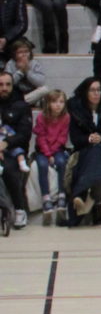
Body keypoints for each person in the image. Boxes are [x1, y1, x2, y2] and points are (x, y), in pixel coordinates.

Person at [67, 74, 101, 226]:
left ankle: (81, 194)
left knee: (97, 152)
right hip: (85, 150)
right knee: (94, 155)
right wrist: (89, 139)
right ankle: (97, 206)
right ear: (85, 92)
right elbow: (75, 139)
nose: (97, 93)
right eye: (92, 90)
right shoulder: (76, 110)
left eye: (99, 90)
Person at [33, 88, 71, 223]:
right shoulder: (41, 117)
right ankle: (46, 198)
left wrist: (54, 151)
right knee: (42, 165)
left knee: (62, 162)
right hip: (42, 150)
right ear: (48, 103)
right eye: (54, 102)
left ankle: (62, 195)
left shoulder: (66, 117)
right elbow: (41, 138)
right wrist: (48, 154)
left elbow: (62, 137)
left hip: (58, 149)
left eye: (61, 102)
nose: (58, 105)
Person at [0, 69, 32, 228]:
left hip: (14, 152)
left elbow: (24, 134)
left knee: (8, 169)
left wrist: (5, 144)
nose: (4, 88)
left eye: (8, 84)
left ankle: (20, 210)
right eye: (0, 85)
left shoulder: (22, 106)